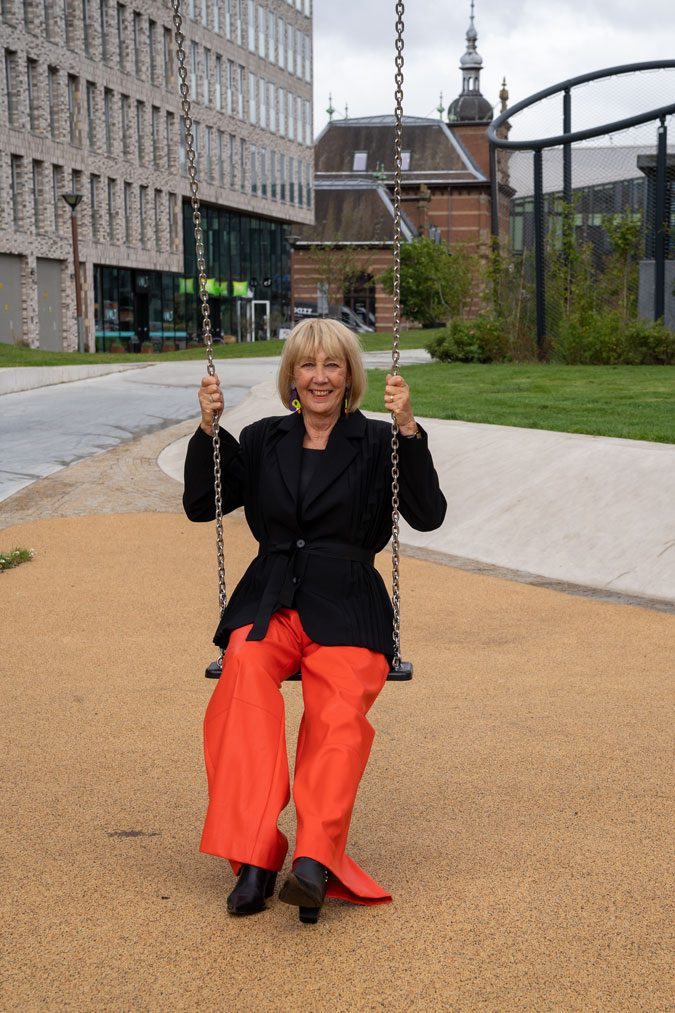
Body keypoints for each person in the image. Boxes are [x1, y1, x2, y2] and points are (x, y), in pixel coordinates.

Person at [183, 318, 446, 923]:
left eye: (333, 365)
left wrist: (408, 427)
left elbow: (428, 514)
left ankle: (312, 861)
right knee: (241, 681)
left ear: (350, 376)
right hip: (270, 600)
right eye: (307, 365)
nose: (320, 377)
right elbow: (203, 505)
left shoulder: (379, 441)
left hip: (348, 602)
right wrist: (208, 428)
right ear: (292, 377)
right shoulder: (262, 437)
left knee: (337, 713)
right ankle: (254, 858)